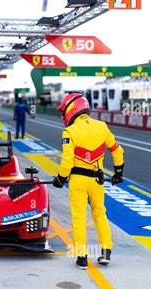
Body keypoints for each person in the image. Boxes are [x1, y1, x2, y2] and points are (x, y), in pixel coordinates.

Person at [52, 93, 124, 270]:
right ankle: (106, 251)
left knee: (78, 218)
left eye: (64, 112)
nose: (63, 116)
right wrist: (118, 173)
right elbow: (117, 151)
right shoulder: (102, 127)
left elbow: (67, 161)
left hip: (78, 181)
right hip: (97, 180)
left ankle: (82, 258)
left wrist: (60, 179)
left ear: (71, 108)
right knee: (100, 213)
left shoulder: (69, 132)